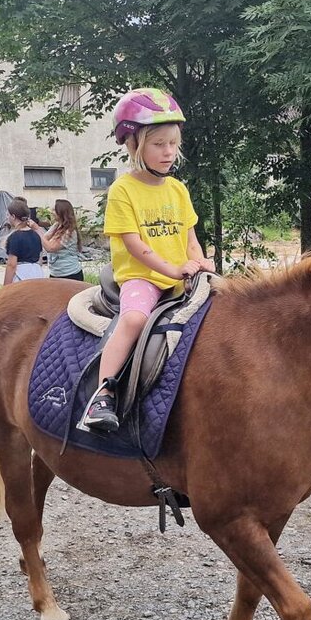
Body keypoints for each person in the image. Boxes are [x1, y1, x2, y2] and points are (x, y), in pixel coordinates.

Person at [84, 88, 216, 433]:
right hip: (142, 277)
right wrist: (173, 270)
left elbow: (189, 238)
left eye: (173, 144)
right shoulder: (123, 190)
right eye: (159, 144)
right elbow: (134, 245)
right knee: (133, 320)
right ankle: (102, 396)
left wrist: (200, 263)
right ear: (132, 145)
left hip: (181, 275)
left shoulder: (177, 189)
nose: (169, 152)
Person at [29, 199, 85, 281]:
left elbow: (50, 248)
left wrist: (37, 228)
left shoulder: (70, 232)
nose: (51, 212)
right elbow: (44, 238)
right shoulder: (57, 225)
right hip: (56, 274)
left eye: (54, 210)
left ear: (62, 213)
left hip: (70, 275)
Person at [3, 199, 47, 284]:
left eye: (8, 215)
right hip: (37, 274)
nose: (7, 218)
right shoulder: (36, 235)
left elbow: (12, 265)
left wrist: (6, 286)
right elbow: (40, 259)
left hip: (21, 275)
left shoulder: (14, 237)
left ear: (13, 216)